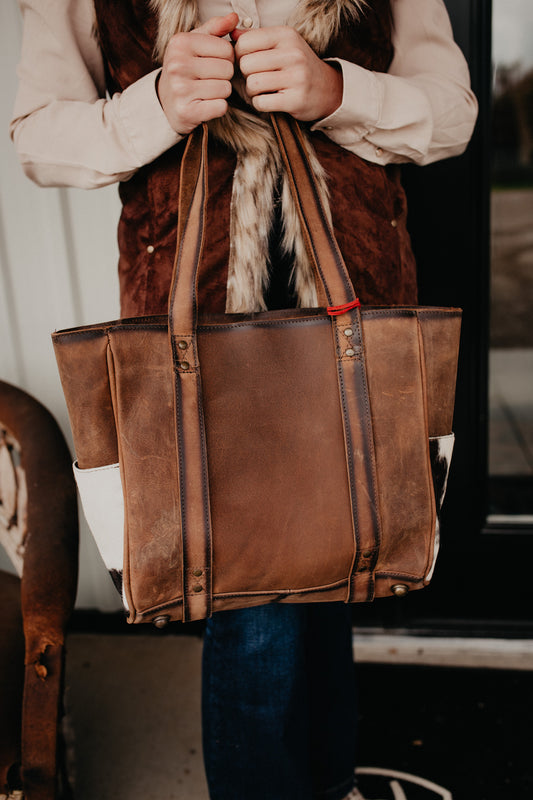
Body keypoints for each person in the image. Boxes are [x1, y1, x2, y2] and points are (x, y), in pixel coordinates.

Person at [10, 2, 478, 798]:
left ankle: (327, 782)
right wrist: (155, 105)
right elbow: (40, 138)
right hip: (193, 327)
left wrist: (338, 92)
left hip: (356, 306)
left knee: (340, 563)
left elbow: (452, 115)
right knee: (254, 600)